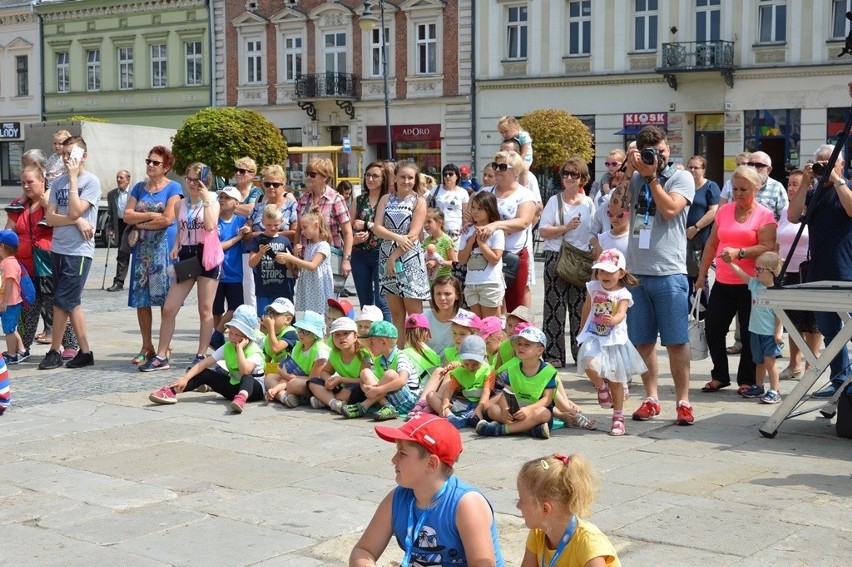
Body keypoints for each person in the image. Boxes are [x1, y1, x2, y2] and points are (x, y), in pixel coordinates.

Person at [607, 126, 696, 425]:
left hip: (669, 270)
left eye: (658, 151)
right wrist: (626, 174)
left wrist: (652, 177)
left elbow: (670, 210)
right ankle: (651, 397)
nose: (654, 156)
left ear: (667, 149)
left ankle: (683, 401)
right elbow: (615, 209)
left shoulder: (681, 177)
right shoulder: (634, 176)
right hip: (637, 273)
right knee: (643, 342)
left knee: (676, 342)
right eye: (647, 152)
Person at [349, 413, 504, 567]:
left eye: (402, 453)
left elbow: (483, 563)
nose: (394, 460)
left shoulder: (466, 504)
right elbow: (363, 550)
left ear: (431, 464)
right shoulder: (398, 498)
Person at [697, 165, 777, 395]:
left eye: (744, 189)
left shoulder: (765, 214)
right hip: (723, 280)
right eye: (735, 188)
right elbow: (712, 244)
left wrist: (740, 252)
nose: (739, 193)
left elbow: (768, 246)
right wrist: (702, 275)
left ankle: (747, 379)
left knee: (750, 334)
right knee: (713, 328)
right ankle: (720, 375)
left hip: (751, 283)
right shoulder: (724, 211)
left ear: (756, 188)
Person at [139, 163, 221, 372]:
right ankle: (161, 355)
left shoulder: (212, 201)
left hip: (207, 256)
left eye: (197, 179)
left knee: (205, 309)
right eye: (190, 179)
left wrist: (205, 199)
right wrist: (176, 246)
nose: (192, 183)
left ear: (205, 181)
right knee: (169, 307)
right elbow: (180, 230)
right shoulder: (180, 205)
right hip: (187, 255)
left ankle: (201, 354)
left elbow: (210, 226)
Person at [791, 144, 852, 398]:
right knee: (830, 331)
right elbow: (793, 216)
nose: (824, 167)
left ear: (841, 165)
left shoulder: (846, 187)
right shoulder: (814, 193)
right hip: (819, 272)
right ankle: (840, 381)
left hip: (847, 270)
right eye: (820, 163)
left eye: (830, 162)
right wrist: (805, 182)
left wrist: (837, 180)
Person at [38, 135, 99, 370]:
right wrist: (76, 222)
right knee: (72, 302)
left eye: (71, 154)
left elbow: (75, 209)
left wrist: (73, 180)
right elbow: (51, 218)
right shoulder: (57, 183)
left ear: (83, 155)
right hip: (59, 248)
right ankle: (85, 352)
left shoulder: (90, 182)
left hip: (79, 251)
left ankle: (54, 350)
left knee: (62, 300)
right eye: (64, 154)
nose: (66, 159)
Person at [6, 166, 79, 357]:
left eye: (30, 182)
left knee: (56, 304)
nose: (26, 186)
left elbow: (67, 220)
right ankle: (23, 347)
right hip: (25, 267)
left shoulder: (52, 203)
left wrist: (47, 203)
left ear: (42, 181)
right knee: (28, 307)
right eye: (23, 183)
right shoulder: (18, 206)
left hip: (49, 263)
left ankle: (70, 345)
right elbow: (8, 233)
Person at [123, 146, 183, 365]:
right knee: (142, 299)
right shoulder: (139, 187)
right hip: (141, 251)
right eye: (148, 160)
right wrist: (149, 215)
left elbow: (168, 219)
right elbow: (126, 216)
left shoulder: (174, 187)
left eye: (156, 162)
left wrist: (139, 221)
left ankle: (164, 346)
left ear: (166, 167)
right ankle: (146, 345)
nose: (150, 165)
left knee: (164, 300)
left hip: (162, 251)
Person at [577, 249, 647, 437]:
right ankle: (601, 387)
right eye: (601, 271)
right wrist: (582, 328)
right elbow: (587, 307)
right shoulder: (593, 287)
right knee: (588, 364)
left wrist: (613, 320)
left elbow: (622, 312)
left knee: (616, 378)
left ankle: (618, 417)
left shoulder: (623, 294)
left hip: (614, 339)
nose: (604, 276)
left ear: (621, 273)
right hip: (594, 336)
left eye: (609, 272)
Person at [147, 304, 265, 413]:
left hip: (254, 391)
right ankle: (171, 391)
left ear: (247, 337)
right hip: (234, 388)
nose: (232, 338)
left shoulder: (255, 351)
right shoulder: (228, 347)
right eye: (231, 333)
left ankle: (241, 398)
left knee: (247, 378)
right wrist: (185, 378)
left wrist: (239, 349)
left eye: (237, 334)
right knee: (204, 373)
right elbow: (204, 363)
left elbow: (245, 371)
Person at [539, 157, 596, 368]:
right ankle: (553, 355)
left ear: (583, 179)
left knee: (580, 308)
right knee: (554, 307)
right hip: (558, 257)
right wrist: (565, 228)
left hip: (582, 260)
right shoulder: (555, 201)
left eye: (575, 174)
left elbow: (595, 231)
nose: (570, 178)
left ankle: (581, 353)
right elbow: (543, 231)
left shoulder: (589, 203)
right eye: (566, 174)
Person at [516, 453, 621, 567]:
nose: (518, 505)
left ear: (545, 509)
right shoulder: (538, 533)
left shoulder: (588, 543)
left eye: (522, 499)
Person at [371, 160, 431, 344]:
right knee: (396, 314)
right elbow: (376, 228)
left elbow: (413, 236)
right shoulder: (385, 199)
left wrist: (394, 256)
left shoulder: (419, 201)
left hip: (409, 257)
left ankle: (418, 354)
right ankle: (398, 354)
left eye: (410, 178)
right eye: (403, 177)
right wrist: (397, 238)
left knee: (414, 316)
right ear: (395, 178)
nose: (406, 181)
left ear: (415, 180)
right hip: (387, 254)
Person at [775, 169, 822, 380]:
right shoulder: (787, 210)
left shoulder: (815, 208)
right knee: (793, 321)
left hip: (809, 271)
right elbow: (778, 241)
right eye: (790, 184)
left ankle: (811, 365)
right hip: (787, 271)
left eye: (797, 184)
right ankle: (794, 363)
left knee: (812, 322)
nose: (792, 188)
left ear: (809, 187)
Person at [723, 251, 785, 404]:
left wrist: (778, 333)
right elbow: (741, 274)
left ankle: (775, 390)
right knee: (758, 361)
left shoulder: (776, 291)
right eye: (755, 268)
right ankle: (759, 386)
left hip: (770, 334)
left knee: (770, 362)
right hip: (756, 332)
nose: (755, 272)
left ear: (772, 272)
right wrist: (730, 262)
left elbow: (780, 315)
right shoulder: (755, 285)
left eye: (760, 269)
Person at [479, 150, 536, 312]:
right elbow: (472, 214)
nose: (497, 170)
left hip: (513, 255)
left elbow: (524, 221)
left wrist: (495, 225)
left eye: (502, 166)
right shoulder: (486, 193)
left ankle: (517, 336)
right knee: (490, 305)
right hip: (486, 254)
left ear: (515, 171)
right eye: (495, 166)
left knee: (515, 305)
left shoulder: (525, 194)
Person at [476, 326, 556, 439]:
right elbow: (505, 393)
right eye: (519, 344)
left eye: (527, 344)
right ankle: (530, 430)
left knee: (544, 413)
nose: (521, 347)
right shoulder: (513, 369)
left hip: (534, 411)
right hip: (515, 411)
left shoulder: (548, 372)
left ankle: (502, 429)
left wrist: (529, 409)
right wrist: (505, 410)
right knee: (493, 409)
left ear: (540, 350)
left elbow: (547, 400)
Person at [241, 164, 298, 309]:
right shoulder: (259, 204)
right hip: (261, 266)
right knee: (260, 306)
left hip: (282, 266)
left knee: (284, 307)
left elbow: (294, 233)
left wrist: (265, 234)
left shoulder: (291, 205)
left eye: (276, 184)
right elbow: (248, 233)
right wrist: (248, 230)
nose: (271, 187)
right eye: (267, 184)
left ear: (283, 185)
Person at [342, 320, 420, 421]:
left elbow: (402, 380)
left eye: (372, 342)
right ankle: (388, 406)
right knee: (365, 372)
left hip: (408, 400)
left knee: (390, 374)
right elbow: (366, 379)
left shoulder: (401, 357)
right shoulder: (379, 360)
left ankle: (364, 406)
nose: (369, 345)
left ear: (383, 342)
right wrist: (366, 387)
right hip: (389, 398)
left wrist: (377, 390)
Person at [295, 158, 353, 279]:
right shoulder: (304, 199)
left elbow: (347, 233)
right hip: (307, 259)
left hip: (330, 258)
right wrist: (296, 257)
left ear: (325, 177)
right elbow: (298, 231)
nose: (308, 178)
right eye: (307, 174)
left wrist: (346, 260)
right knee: (309, 296)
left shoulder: (336, 199)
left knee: (329, 297)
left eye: (312, 174)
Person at [350, 162, 391, 321]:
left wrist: (367, 225)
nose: (370, 179)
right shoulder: (359, 200)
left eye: (375, 176)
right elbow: (348, 227)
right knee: (365, 302)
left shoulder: (388, 200)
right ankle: (368, 336)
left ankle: (388, 337)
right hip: (360, 253)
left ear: (383, 179)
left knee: (382, 300)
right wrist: (354, 238)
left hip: (381, 253)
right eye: (368, 175)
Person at [429, 335, 495, 429]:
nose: (470, 367)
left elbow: (486, 392)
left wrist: (479, 409)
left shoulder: (488, 370)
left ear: (484, 357)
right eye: (466, 363)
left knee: (488, 407)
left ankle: (472, 417)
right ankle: (450, 416)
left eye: (475, 364)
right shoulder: (458, 372)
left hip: (481, 403)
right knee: (431, 396)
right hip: (462, 403)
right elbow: (449, 390)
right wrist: (446, 402)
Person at [266, 310, 330, 406]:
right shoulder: (298, 346)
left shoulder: (321, 351)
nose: (300, 333)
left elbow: (314, 379)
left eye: (306, 331)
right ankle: (284, 397)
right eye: (299, 329)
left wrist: (288, 376)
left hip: (318, 385)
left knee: (293, 384)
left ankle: (294, 397)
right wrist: (277, 387)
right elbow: (290, 373)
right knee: (269, 377)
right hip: (298, 378)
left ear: (315, 334)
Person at [308, 316, 370, 414]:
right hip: (341, 385)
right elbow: (324, 372)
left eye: (346, 333)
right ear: (332, 338)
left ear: (355, 336)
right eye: (337, 335)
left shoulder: (363, 354)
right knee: (313, 381)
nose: (342, 337)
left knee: (352, 389)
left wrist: (341, 379)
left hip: (359, 387)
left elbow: (364, 380)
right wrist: (329, 380)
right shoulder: (334, 353)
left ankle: (325, 401)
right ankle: (334, 403)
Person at [210, 187, 247, 349]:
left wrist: (248, 230)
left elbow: (250, 229)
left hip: (235, 274)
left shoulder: (240, 221)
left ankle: (217, 334)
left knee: (235, 308)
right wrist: (238, 237)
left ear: (236, 203)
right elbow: (217, 247)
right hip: (216, 273)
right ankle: (218, 344)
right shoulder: (213, 221)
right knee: (216, 310)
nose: (222, 200)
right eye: (221, 197)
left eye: (227, 198)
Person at [458, 191, 505, 317]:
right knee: (476, 326)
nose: (475, 212)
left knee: (491, 326)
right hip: (471, 283)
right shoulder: (467, 230)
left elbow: (495, 259)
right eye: (473, 207)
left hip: (490, 283)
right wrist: (471, 241)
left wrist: (481, 243)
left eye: (480, 208)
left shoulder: (496, 231)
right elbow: (461, 260)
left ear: (489, 209)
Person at [282, 207, 334, 315]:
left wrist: (291, 257)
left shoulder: (323, 245)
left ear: (316, 225)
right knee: (309, 314)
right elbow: (302, 268)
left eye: (305, 228)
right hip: (309, 287)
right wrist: (296, 254)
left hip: (319, 287)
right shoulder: (309, 246)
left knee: (320, 315)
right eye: (302, 229)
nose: (303, 232)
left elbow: (312, 266)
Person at [248, 205, 296, 316]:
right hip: (263, 289)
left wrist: (286, 261)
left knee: (283, 319)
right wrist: (260, 253)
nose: (273, 228)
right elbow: (251, 263)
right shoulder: (257, 240)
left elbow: (291, 267)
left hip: (283, 289)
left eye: (276, 225)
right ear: (262, 222)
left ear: (282, 222)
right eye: (269, 225)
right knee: (264, 319)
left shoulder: (285, 241)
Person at [684, 155, 721, 298]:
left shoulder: (710, 186)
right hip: (682, 236)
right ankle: (686, 312)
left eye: (696, 167)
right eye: (690, 167)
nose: (693, 170)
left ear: (703, 170)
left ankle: (704, 313)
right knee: (684, 276)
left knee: (700, 276)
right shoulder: (684, 186)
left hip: (700, 237)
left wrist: (696, 227)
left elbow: (714, 211)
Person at [0, 231, 26, 363]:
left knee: (9, 329)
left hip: (9, 303)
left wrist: (4, 302)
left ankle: (11, 354)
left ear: (2, 247)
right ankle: (21, 350)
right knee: (11, 327)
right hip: (10, 302)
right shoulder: (8, 261)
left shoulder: (9, 263)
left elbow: (9, 282)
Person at [427, 163, 469, 244]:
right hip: (438, 229)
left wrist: (464, 228)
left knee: (454, 255)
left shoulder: (463, 192)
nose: (447, 176)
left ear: (457, 176)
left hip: (456, 231)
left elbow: (466, 213)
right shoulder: (436, 189)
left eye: (450, 174)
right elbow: (426, 205)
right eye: (445, 174)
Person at [105, 170, 132, 292]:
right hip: (120, 225)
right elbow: (110, 214)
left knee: (139, 254)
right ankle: (119, 282)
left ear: (128, 179)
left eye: (121, 178)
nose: (119, 180)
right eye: (117, 177)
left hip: (133, 224)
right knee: (122, 253)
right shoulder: (112, 194)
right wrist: (110, 229)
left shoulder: (134, 193)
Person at [743, 151, 788, 221]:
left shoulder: (777, 188)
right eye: (750, 164)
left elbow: (784, 218)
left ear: (769, 170)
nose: (753, 168)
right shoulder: (738, 185)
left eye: (758, 165)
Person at [423, 275, 463, 353]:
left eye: (447, 294)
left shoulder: (467, 319)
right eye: (438, 293)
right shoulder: (424, 318)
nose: (442, 298)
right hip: (429, 364)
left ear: (457, 295)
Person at [423, 208, 457, 282]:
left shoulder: (446, 240)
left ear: (439, 223)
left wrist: (438, 262)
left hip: (443, 281)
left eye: (429, 222)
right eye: (424, 222)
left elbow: (454, 263)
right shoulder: (426, 241)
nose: (425, 225)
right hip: (429, 283)